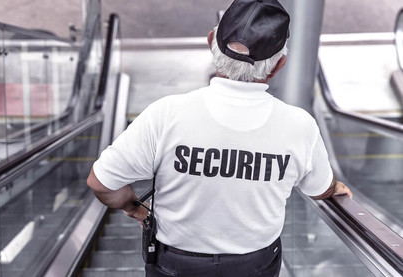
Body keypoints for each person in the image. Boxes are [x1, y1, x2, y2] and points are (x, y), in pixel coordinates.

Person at [87, 0, 353, 276]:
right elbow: (319, 188)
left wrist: (136, 208)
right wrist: (334, 187)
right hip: (255, 266)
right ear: (278, 65)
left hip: (175, 265)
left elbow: (101, 183)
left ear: (211, 41)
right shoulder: (300, 127)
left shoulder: (166, 115)